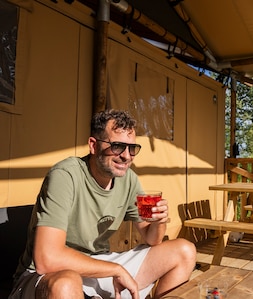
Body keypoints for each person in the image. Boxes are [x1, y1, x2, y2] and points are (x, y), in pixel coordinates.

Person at [9, 109, 196, 299]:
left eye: (132, 148)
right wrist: (116, 270)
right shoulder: (65, 175)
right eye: (117, 146)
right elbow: (46, 260)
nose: (126, 156)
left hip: (98, 263)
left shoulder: (128, 179)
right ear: (93, 145)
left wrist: (159, 221)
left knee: (184, 251)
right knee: (66, 284)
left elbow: (152, 239)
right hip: (46, 275)